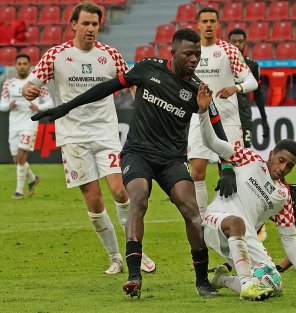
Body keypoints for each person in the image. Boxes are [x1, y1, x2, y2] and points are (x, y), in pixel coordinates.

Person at [32, 28, 233, 299]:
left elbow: (217, 128)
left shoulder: (197, 89)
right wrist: (66, 107)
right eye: (188, 53)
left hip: (172, 160)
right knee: (137, 199)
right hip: (137, 153)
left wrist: (227, 166)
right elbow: (106, 88)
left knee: (192, 212)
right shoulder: (147, 68)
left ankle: (202, 282)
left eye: (197, 54)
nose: (194, 58)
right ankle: (134, 276)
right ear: (173, 53)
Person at [21, 1, 155, 275]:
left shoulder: (110, 55)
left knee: (120, 190)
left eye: (95, 24)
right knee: (94, 201)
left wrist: (143, 112)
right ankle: (115, 257)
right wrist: (29, 92)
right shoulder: (56, 55)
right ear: (74, 25)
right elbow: (30, 84)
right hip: (73, 137)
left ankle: (134, 251)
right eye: (86, 23)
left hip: (106, 133)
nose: (91, 28)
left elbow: (131, 84)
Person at [195, 91, 296, 300]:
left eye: (290, 166)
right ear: (272, 154)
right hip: (216, 221)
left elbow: (289, 238)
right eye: (281, 160)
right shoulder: (249, 158)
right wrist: (202, 113)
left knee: (273, 283)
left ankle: (223, 280)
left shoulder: (283, 195)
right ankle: (246, 284)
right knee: (237, 222)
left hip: (244, 239)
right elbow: (213, 143)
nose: (283, 168)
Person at [188, 7, 258, 216]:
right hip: (199, 119)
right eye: (205, 21)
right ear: (198, 24)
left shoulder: (229, 50)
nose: (208, 25)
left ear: (218, 24)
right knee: (197, 171)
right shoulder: (191, 52)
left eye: (212, 21)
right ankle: (202, 219)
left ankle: (238, 215)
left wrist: (236, 88)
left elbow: (251, 81)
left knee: (233, 171)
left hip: (227, 121)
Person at [0, 53, 52, 199]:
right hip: (14, 125)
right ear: (15, 66)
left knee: (22, 153)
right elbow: (1, 105)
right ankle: (33, 179)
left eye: (25, 64)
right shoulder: (8, 84)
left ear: (29, 65)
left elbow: (50, 102)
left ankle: (19, 191)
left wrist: (38, 107)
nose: (22, 66)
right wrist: (9, 105)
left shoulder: (36, 82)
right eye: (19, 64)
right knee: (17, 159)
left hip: (29, 122)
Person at [227, 28, 270, 148]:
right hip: (225, 115)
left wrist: (264, 120)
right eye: (233, 41)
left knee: (245, 152)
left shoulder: (252, 65)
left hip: (244, 116)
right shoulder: (221, 63)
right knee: (225, 154)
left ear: (245, 42)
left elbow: (258, 93)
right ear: (228, 43)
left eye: (240, 41)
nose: (237, 44)